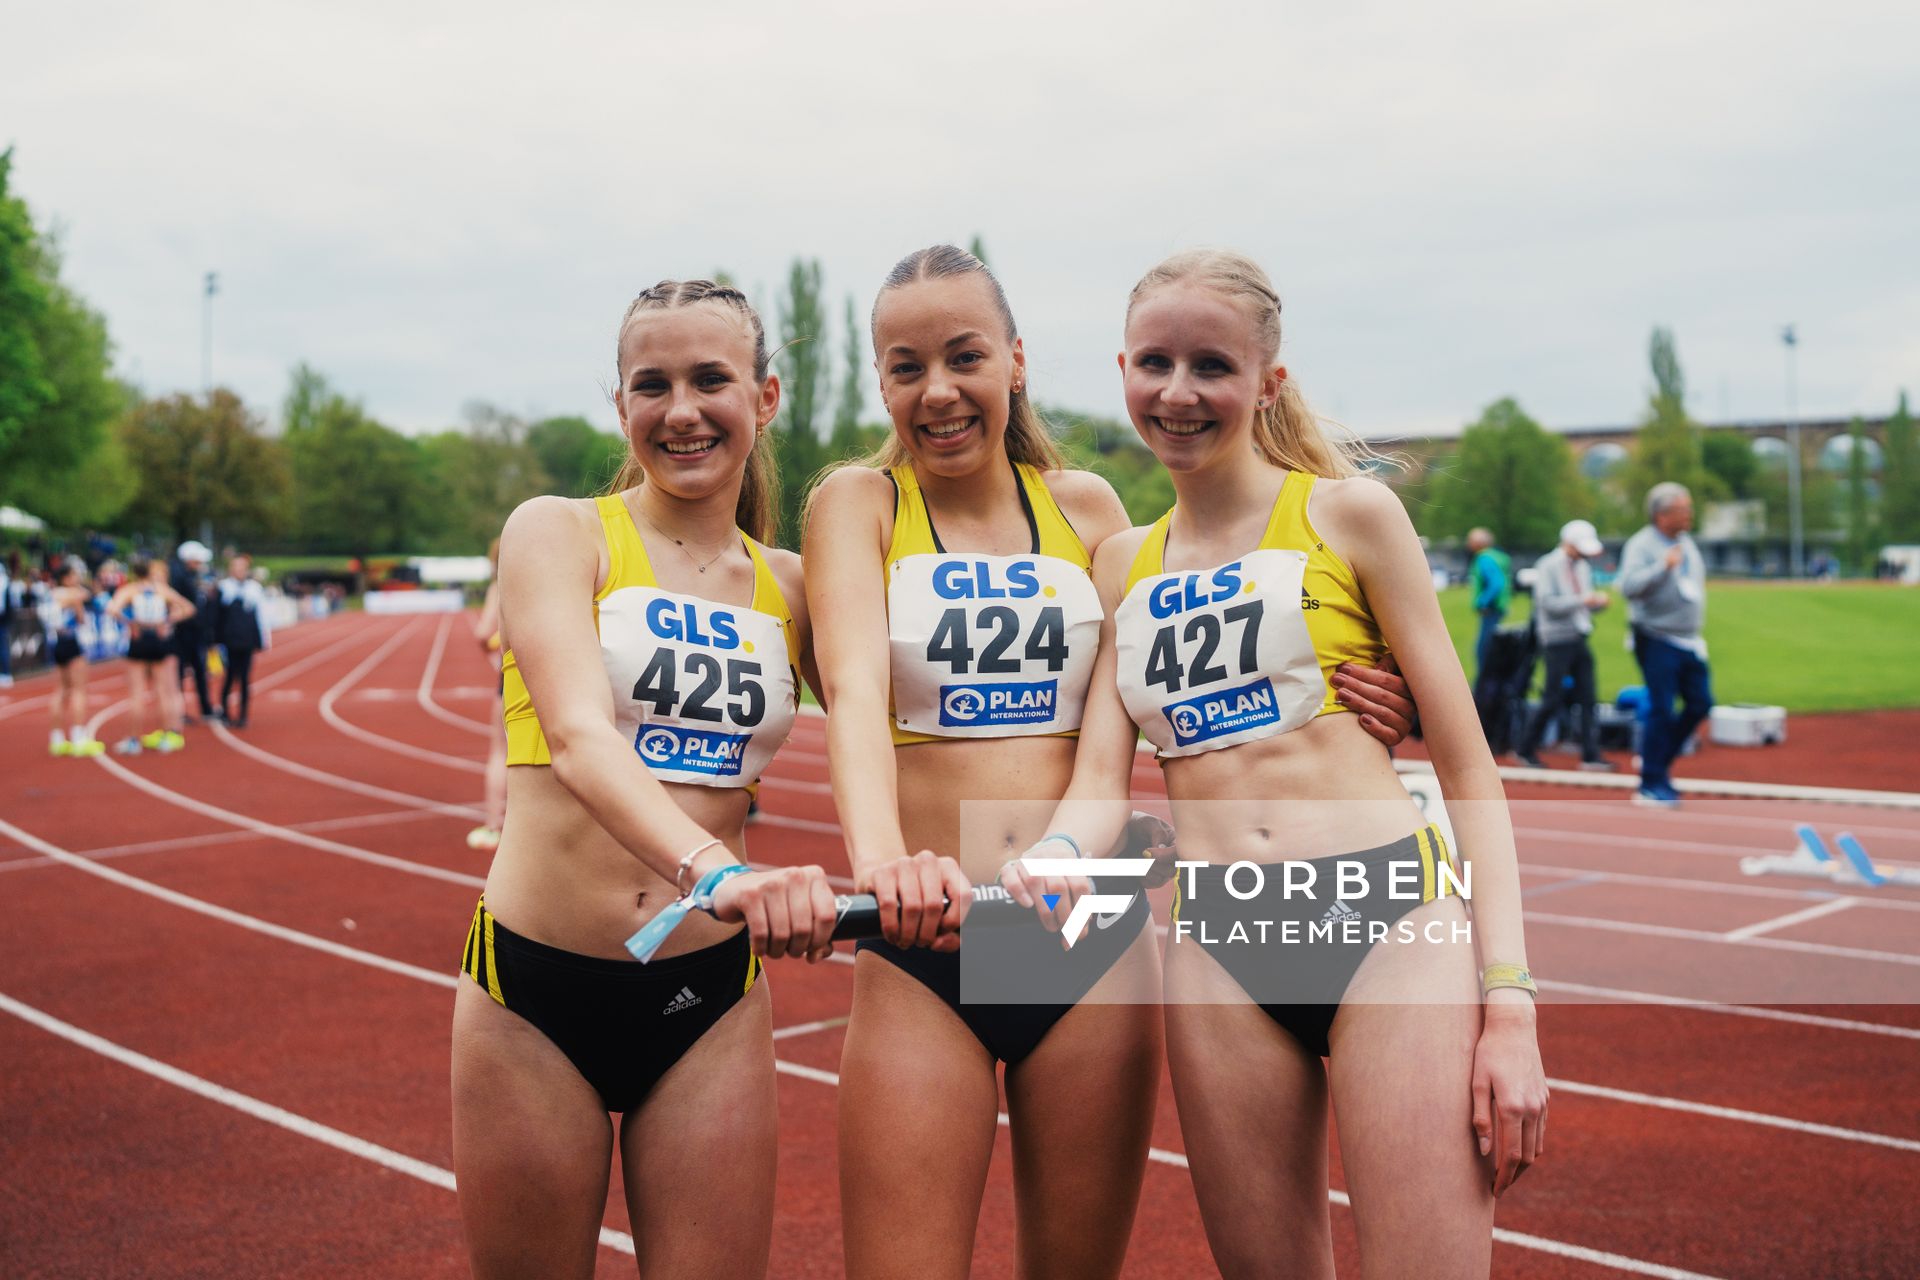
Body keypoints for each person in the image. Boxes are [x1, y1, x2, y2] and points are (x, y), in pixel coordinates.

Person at [806, 245, 1417, 1279]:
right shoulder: (859, 505)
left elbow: (1174, 668)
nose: (938, 390)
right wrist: (881, 864)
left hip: (1082, 935)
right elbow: (855, 691)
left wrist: (1374, 685)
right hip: (930, 926)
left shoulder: (1090, 512)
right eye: (906, 367)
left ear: (1016, 362)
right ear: (881, 381)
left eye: (964, 356)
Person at [1028, 250, 1546, 1278]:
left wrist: (1512, 1004)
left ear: (1269, 381)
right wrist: (1054, 856)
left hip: (1387, 921)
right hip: (1222, 948)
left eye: (1212, 366)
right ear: (1123, 370)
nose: (1179, 393)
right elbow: (1097, 782)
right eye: (1155, 363)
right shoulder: (1121, 562)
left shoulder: (1350, 515)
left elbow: (1469, 770)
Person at [451, 279, 842, 1279]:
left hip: (709, 999)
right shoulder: (559, 531)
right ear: (619, 402)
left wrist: (1071, 839)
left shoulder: (793, 586)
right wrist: (717, 872)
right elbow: (579, 737)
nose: (681, 410)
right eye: (652, 385)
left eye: (711, 379)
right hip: (534, 989)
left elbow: (907, 730)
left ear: (765, 397)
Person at [1618, 482, 1712, 808]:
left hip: (1689, 640)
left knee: (1700, 703)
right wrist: (1662, 568)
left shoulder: (1685, 542)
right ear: (1662, 515)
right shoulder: (1641, 545)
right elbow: (1628, 587)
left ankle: (1656, 764)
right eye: (1683, 510)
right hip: (1656, 636)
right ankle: (1650, 782)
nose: (1689, 515)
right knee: (1662, 708)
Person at [1514, 519, 1614, 772]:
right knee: (1552, 696)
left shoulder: (1582, 567)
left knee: (1589, 697)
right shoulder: (1548, 565)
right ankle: (1525, 748)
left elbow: (1582, 603)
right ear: (1569, 543)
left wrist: (1596, 604)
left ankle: (1591, 754)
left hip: (1579, 635)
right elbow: (1547, 604)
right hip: (1556, 639)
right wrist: (1583, 600)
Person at [106, 557, 195, 754]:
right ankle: (166, 736)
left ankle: (133, 740)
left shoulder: (129, 590)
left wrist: (131, 623)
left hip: (139, 640)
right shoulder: (162, 589)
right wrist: (166, 621)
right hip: (158, 640)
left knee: (136, 694)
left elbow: (112, 609)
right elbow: (189, 607)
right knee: (163, 691)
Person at [466, 537, 508, 851]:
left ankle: (494, 826)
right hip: (557, 672)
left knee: (501, 752)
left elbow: (483, 632)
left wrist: (493, 653)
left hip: (515, 675)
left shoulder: (502, 585)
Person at [46, 561, 104, 757]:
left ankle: (56, 739)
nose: (77, 578)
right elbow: (81, 618)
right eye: (74, 575)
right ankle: (78, 738)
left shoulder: (51, 594)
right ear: (65, 578)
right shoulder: (73, 594)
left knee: (60, 690)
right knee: (79, 690)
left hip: (56, 643)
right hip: (71, 642)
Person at [212, 554, 270, 728]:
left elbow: (261, 615)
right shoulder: (223, 588)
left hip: (247, 639)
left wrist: (264, 639)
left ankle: (243, 714)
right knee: (229, 676)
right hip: (228, 640)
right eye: (235, 567)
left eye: (241, 567)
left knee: (245, 678)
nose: (238, 570)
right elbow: (216, 615)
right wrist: (215, 640)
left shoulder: (254, 588)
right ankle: (225, 712)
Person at [170, 541, 216, 722]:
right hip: (183, 632)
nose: (201, 564)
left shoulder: (191, 576)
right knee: (180, 673)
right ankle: (179, 711)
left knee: (200, 671)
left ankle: (205, 708)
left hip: (196, 632)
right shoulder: (179, 577)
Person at [1466, 527, 1510, 681]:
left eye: (1470, 540)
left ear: (1479, 543)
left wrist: (1482, 601)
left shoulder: (1484, 559)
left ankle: (1484, 683)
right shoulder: (1498, 556)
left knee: (1483, 649)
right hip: (1499, 607)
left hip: (1490, 608)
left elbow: (1496, 583)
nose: (1468, 544)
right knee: (1491, 645)